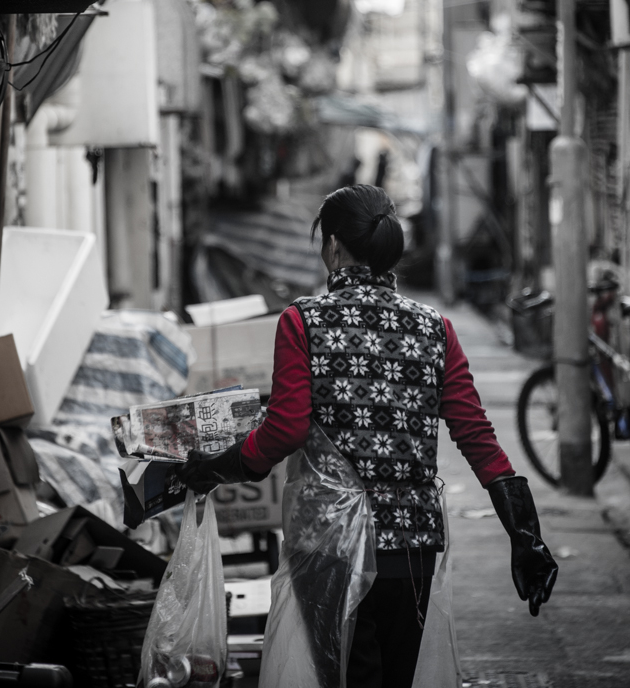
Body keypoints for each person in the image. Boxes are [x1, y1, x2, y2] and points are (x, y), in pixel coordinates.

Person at [179, 185, 558, 688]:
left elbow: (285, 428)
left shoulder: (303, 321)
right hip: (413, 546)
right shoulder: (435, 328)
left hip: (330, 547)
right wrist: (524, 534)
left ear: (334, 247)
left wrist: (220, 466)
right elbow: (475, 433)